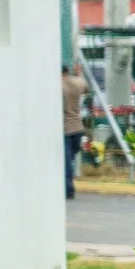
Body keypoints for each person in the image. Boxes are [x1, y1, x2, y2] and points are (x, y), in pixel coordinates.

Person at [62, 62, 90, 199]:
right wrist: (79, 73)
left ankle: (68, 188)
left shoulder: (58, 86)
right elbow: (86, 87)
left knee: (66, 161)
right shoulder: (78, 83)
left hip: (65, 129)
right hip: (78, 128)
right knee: (69, 159)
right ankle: (66, 183)